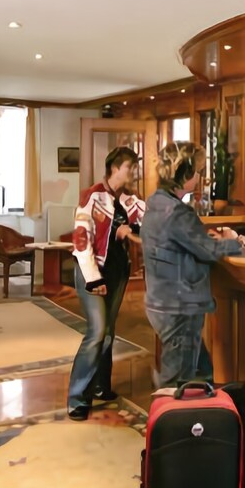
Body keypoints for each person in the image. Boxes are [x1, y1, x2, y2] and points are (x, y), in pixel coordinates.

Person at [142, 141, 243, 388]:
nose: (199, 177)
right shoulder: (177, 212)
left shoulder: (156, 203)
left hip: (161, 300)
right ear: (185, 174)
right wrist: (236, 242)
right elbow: (208, 251)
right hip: (180, 304)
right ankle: (168, 409)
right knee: (177, 384)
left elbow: (183, 242)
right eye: (197, 171)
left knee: (200, 374)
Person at [67, 146, 146, 421]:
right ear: (114, 168)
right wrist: (93, 279)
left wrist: (131, 229)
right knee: (97, 330)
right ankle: (77, 398)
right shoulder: (92, 197)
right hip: (92, 272)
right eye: (129, 167)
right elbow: (81, 241)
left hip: (117, 273)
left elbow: (149, 220)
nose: (133, 172)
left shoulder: (129, 200)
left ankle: (101, 385)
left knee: (109, 331)